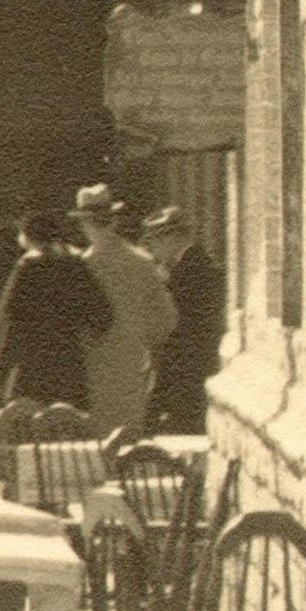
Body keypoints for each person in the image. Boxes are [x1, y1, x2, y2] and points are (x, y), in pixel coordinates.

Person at [70, 183, 177, 436]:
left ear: (84, 224)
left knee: (94, 442)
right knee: (128, 438)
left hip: (91, 367)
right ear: (114, 221)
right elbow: (167, 319)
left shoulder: (81, 267)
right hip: (132, 365)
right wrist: (142, 341)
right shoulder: (142, 262)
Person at [0, 212, 112, 408]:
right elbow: (103, 318)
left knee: (30, 421)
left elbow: (16, 330)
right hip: (70, 369)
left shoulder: (28, 268)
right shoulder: (76, 266)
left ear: (27, 238)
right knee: (69, 422)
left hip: (33, 372)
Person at [142, 207, 226, 432]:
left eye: (155, 241)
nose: (153, 249)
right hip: (195, 369)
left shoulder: (188, 272)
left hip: (187, 373)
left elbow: (176, 332)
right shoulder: (195, 265)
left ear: (171, 238)